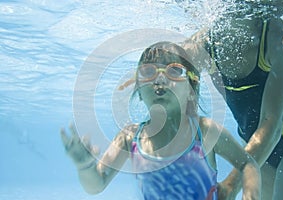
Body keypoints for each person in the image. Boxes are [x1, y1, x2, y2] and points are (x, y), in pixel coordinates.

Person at [61, 42, 261, 200]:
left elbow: (247, 164)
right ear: (138, 91)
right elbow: (97, 185)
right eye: (148, 72)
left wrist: (250, 195)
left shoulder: (204, 131)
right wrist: (85, 166)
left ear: (192, 90)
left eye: (174, 71)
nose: (160, 80)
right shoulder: (129, 138)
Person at [182, 0, 283, 199]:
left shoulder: (281, 39)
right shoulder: (202, 44)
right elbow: (184, 114)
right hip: (255, 147)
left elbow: (272, 125)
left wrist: (230, 185)